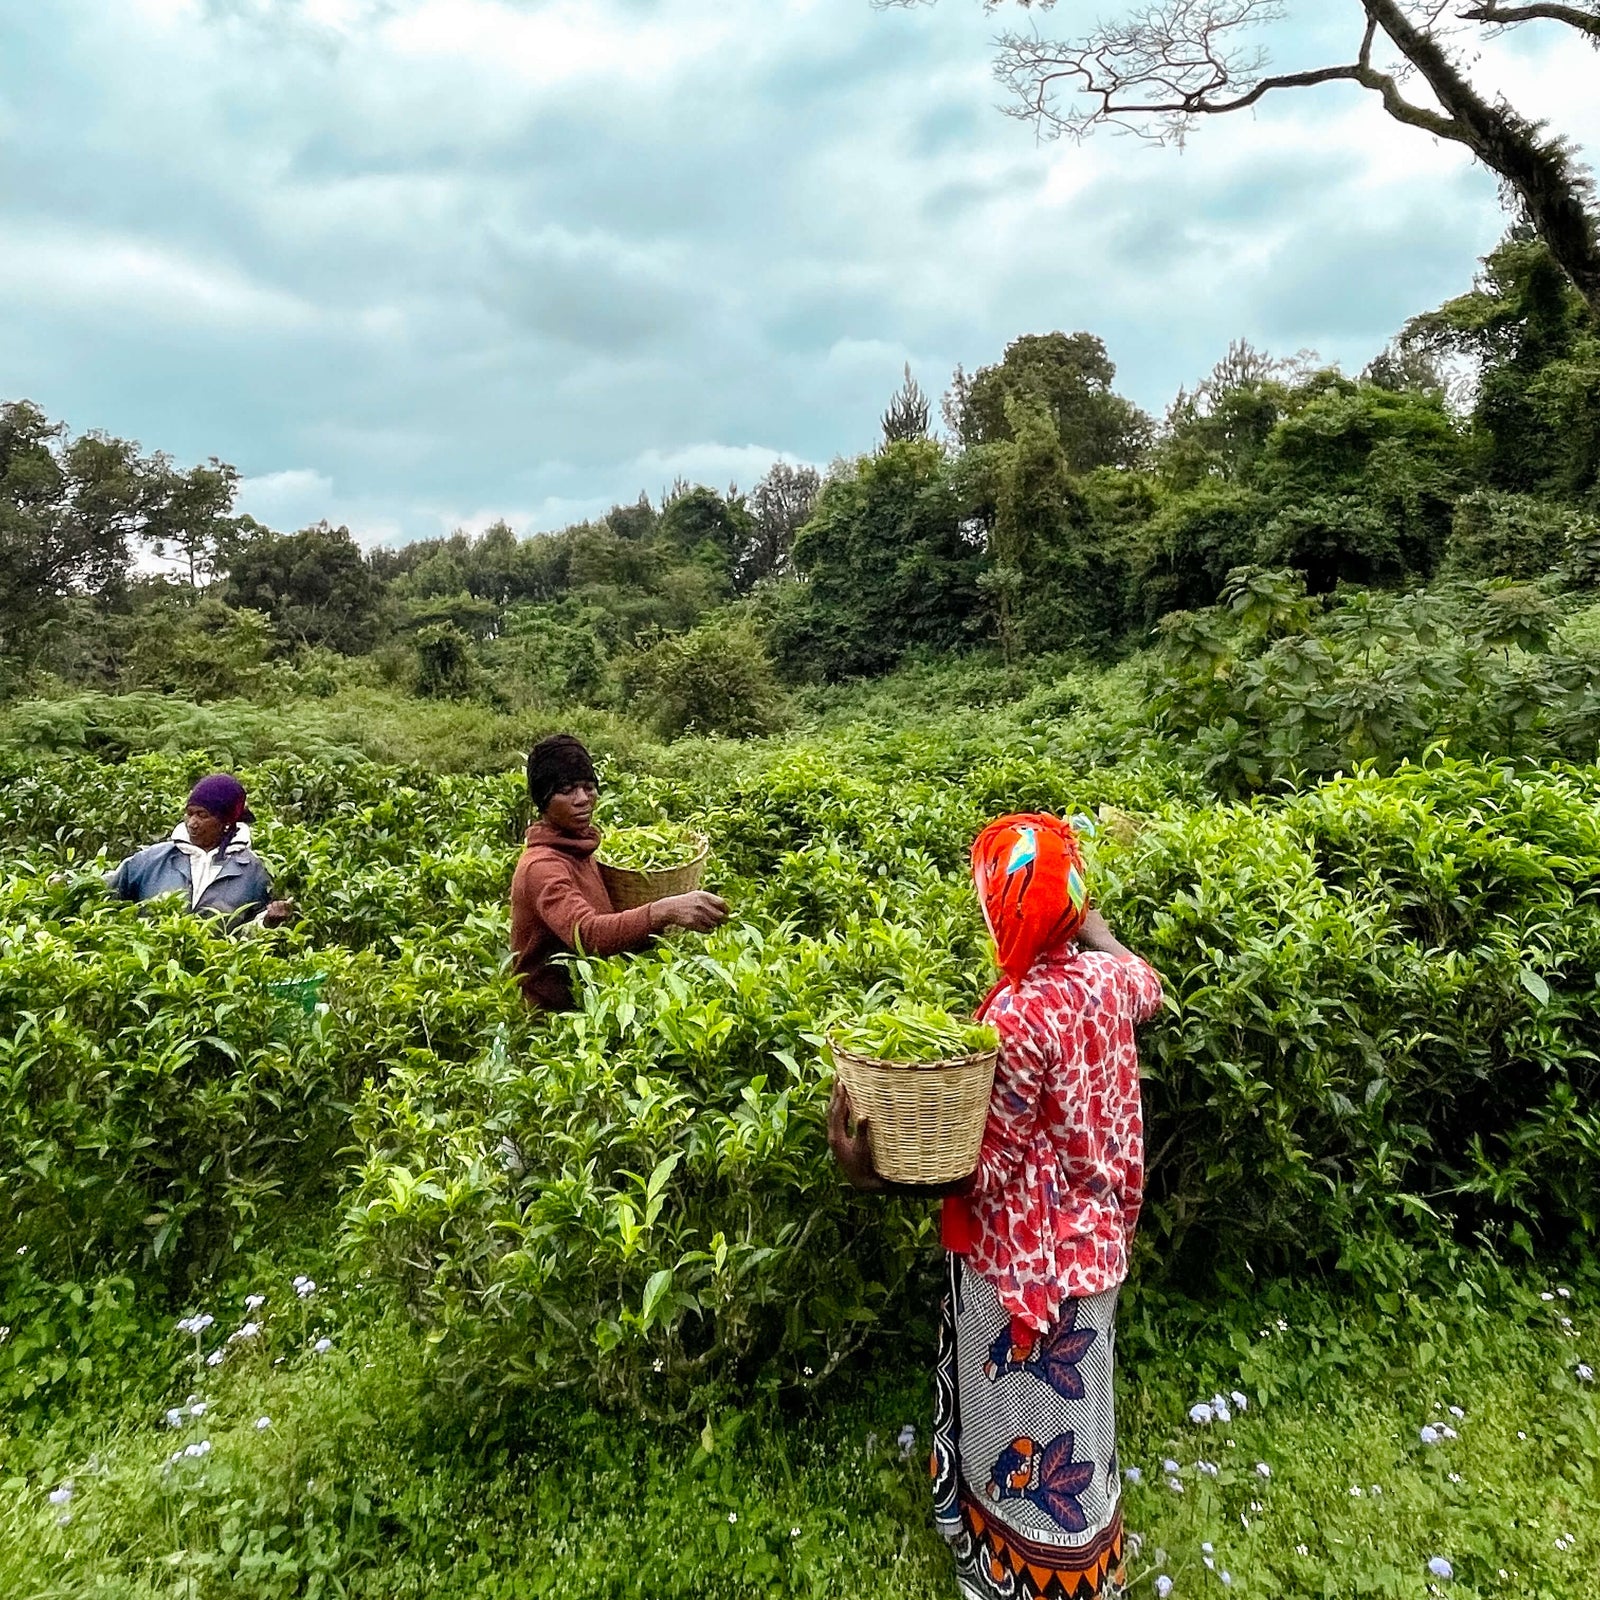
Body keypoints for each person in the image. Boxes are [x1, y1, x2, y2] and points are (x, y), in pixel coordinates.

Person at [829, 813, 1162, 1600]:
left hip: (1028, 1259)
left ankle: (1026, 1574)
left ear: (1002, 909)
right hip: (1100, 1239)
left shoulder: (1013, 1016)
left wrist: (876, 1174)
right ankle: (1087, 1555)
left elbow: (989, 1170)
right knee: (1079, 1410)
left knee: (1020, 1408)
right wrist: (1099, 934)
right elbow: (1146, 982)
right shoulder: (1107, 982)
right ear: (1073, 906)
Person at [509, 733, 729, 1011]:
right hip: (553, 1027)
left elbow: (611, 925)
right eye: (566, 790)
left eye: (588, 787)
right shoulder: (541, 867)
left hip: (597, 1004)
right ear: (543, 800)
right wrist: (663, 910)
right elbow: (586, 934)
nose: (582, 799)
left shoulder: (579, 848)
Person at [106, 773, 294, 930]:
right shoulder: (151, 860)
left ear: (225, 822)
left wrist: (267, 922)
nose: (192, 823)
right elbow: (104, 894)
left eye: (202, 815)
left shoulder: (252, 872)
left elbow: (247, 936)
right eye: (189, 813)